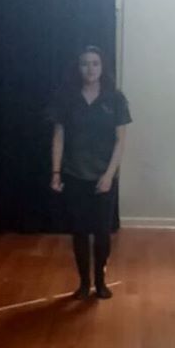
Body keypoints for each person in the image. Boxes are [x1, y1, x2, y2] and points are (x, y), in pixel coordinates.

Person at [50, 46, 131, 299]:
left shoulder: (115, 99)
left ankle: (100, 281)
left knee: (103, 233)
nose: (90, 69)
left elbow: (120, 140)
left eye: (95, 63)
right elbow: (59, 136)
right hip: (75, 174)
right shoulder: (67, 98)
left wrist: (109, 175)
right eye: (85, 63)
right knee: (80, 232)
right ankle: (84, 283)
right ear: (78, 68)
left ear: (102, 67)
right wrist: (56, 172)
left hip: (104, 176)